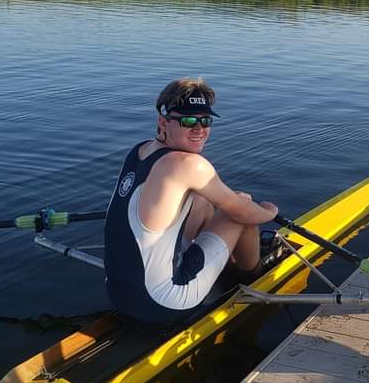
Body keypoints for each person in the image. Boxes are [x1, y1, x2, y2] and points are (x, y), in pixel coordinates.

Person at [103, 77, 278, 325]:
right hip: (163, 303)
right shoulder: (190, 164)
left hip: (118, 296)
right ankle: (255, 279)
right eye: (188, 121)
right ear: (163, 122)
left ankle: (222, 261)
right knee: (241, 207)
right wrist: (269, 211)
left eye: (205, 120)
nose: (199, 129)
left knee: (202, 199)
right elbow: (242, 212)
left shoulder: (140, 151)